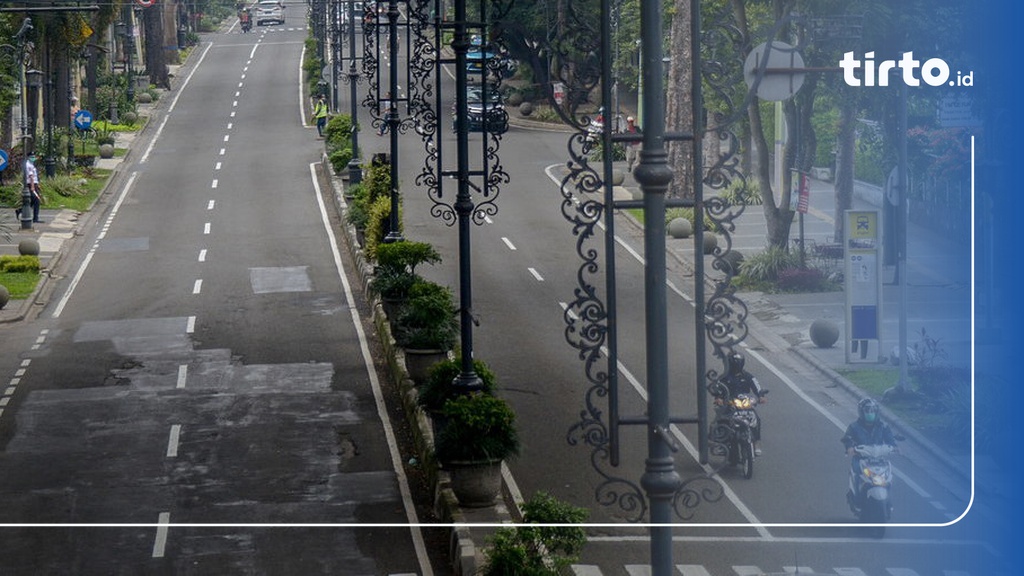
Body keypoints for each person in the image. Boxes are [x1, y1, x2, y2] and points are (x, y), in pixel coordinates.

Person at [715, 351, 766, 455]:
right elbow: (718, 390)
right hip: (729, 405)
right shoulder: (723, 378)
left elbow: (757, 386)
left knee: (756, 419)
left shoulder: (748, 376)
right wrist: (719, 399)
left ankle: (756, 443)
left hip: (745, 405)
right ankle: (722, 444)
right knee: (722, 420)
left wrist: (760, 396)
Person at [841, 398, 897, 473]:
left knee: (887, 472)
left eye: (872, 411)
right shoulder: (854, 426)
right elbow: (847, 438)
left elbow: (889, 439)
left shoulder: (883, 426)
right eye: (867, 411)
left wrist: (894, 447)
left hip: (878, 459)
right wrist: (849, 447)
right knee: (856, 470)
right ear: (862, 412)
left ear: (876, 412)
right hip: (860, 458)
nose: (870, 413)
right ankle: (856, 484)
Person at [16, 152, 43, 224]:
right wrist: (32, 187)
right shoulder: (28, 165)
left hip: (34, 184)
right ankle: (35, 218)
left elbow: (34, 176)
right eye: (31, 156)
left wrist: (37, 184)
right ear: (28, 157)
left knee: (32, 201)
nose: (33, 157)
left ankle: (20, 210)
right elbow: (31, 177)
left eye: (34, 156)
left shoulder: (31, 164)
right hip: (31, 184)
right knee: (36, 200)